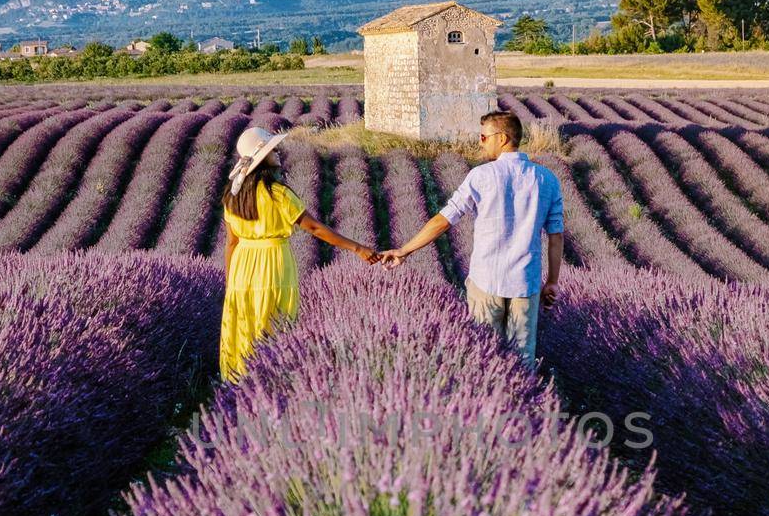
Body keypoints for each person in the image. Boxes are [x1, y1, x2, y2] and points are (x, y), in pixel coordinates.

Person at [380, 110, 563, 369]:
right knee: (522, 363)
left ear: (501, 138)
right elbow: (556, 236)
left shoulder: (481, 176)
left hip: (486, 280)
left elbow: (444, 220)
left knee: (484, 360)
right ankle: (519, 408)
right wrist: (552, 281)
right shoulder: (547, 179)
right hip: (526, 282)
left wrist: (405, 250)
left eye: (483, 137)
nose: (480, 142)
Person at [220, 125, 381, 382]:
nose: (278, 153)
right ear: (263, 160)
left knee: (243, 328)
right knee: (273, 324)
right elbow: (315, 228)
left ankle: (239, 386)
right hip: (272, 267)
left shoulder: (232, 196)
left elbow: (231, 243)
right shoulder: (279, 195)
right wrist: (358, 248)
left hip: (241, 269)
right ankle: (270, 383)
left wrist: (230, 283)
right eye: (273, 150)